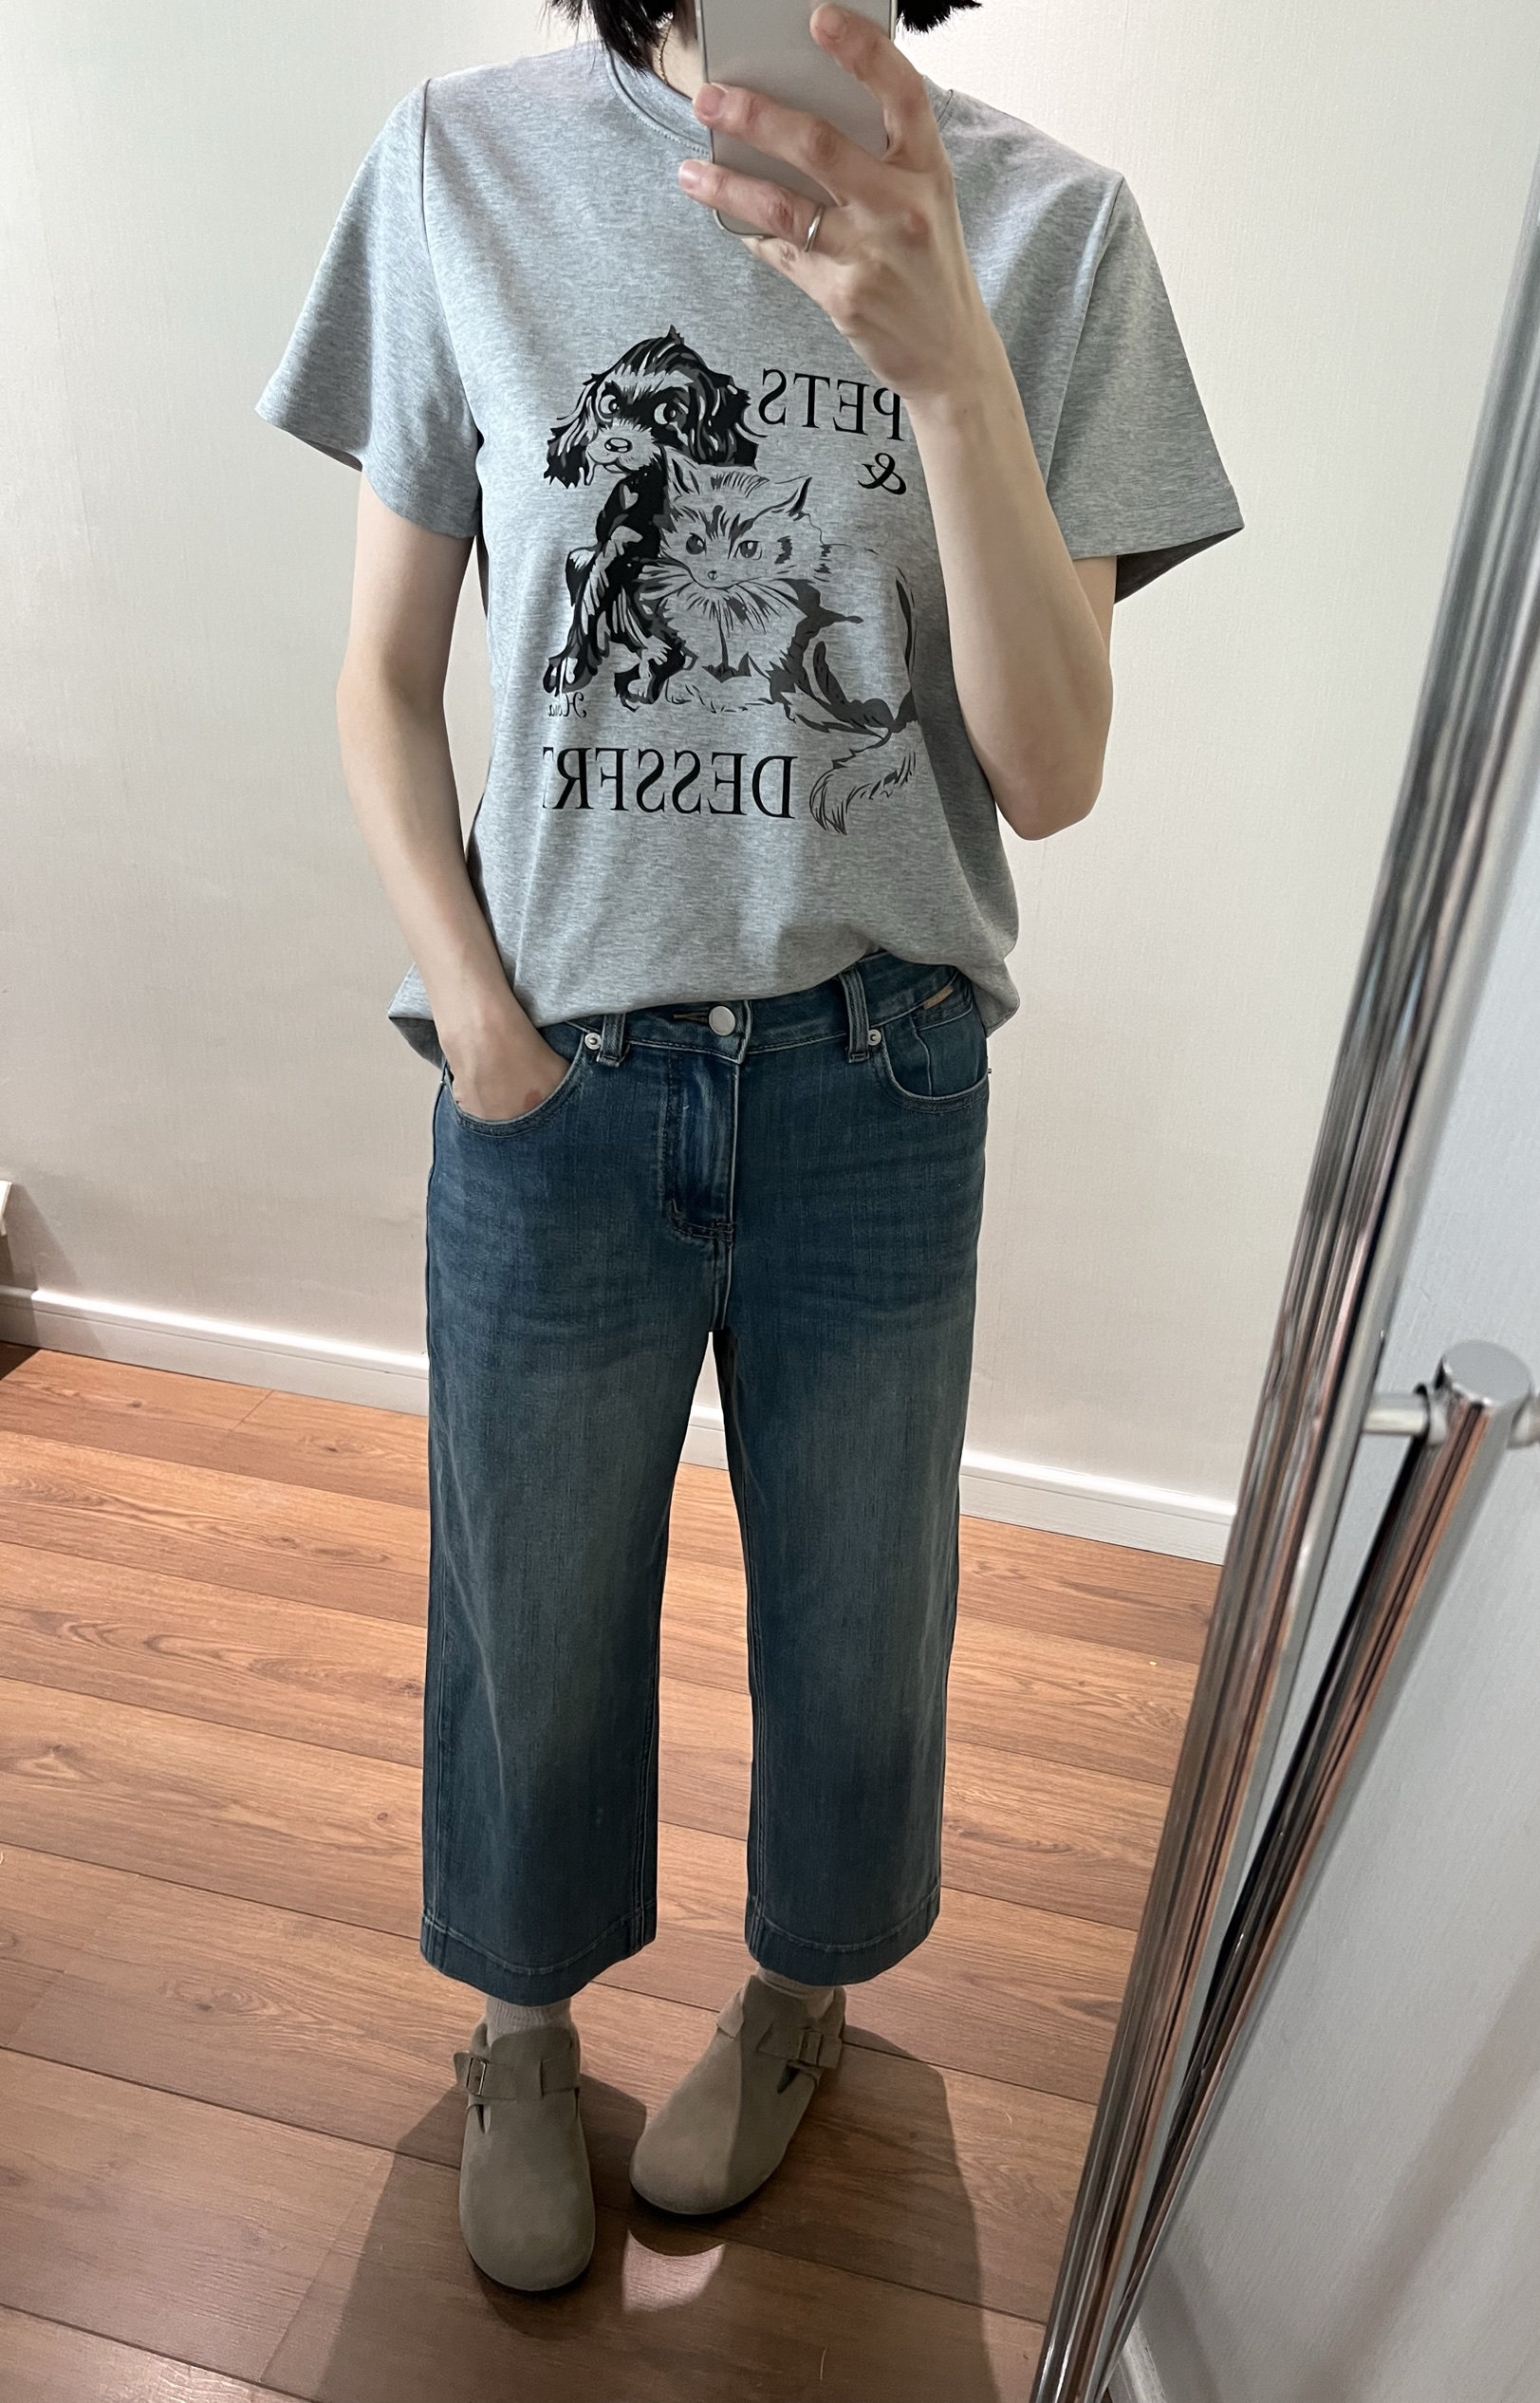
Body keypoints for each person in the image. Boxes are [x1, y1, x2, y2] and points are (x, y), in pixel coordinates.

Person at [256, 0, 1239, 2294]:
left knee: (862, 1615)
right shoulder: (462, 167)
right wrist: (473, 1009)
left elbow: (1052, 769)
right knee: (526, 1606)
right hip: (560, 1077)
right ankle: (520, 2027)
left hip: (873, 1078)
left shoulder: (1053, 234)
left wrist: (950, 365)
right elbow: (382, 674)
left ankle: (802, 1994)